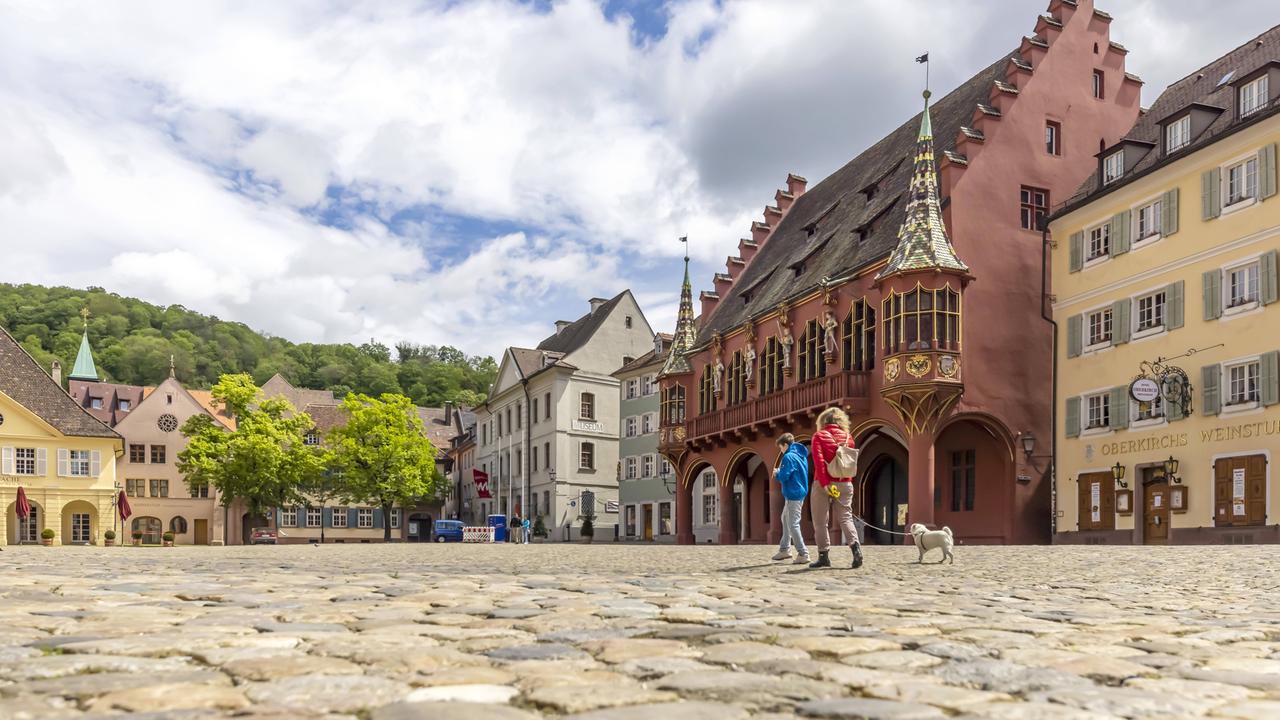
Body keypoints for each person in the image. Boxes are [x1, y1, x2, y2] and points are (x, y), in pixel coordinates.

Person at [808, 407, 863, 569]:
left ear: (823, 421)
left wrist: (825, 484)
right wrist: (846, 480)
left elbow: (818, 462)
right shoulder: (848, 437)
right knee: (846, 518)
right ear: (841, 421)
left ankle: (823, 555)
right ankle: (856, 549)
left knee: (820, 521)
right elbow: (849, 463)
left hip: (823, 483)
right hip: (845, 482)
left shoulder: (818, 436)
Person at [770, 433, 810, 564]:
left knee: (793, 523)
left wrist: (777, 473)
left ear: (785, 445)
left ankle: (803, 553)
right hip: (798, 492)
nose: (780, 450)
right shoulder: (801, 455)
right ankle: (785, 550)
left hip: (793, 493)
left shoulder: (788, 456)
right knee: (785, 518)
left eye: (780, 447)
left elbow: (784, 476)